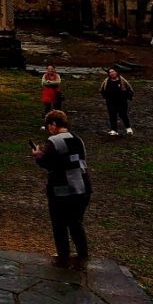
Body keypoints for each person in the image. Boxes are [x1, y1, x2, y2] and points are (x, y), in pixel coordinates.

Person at [32, 109, 92, 269]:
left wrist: (37, 155)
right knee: (75, 223)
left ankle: (63, 256)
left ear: (53, 124)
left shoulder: (54, 142)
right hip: (83, 187)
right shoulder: (78, 139)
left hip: (62, 189)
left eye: (48, 125)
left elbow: (46, 162)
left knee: (59, 223)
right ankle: (82, 254)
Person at [98, 67, 134, 136]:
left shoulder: (122, 80)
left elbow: (130, 89)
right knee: (112, 115)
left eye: (113, 71)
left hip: (121, 101)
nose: (112, 73)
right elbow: (102, 89)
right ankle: (114, 130)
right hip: (110, 101)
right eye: (110, 72)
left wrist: (128, 96)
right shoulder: (106, 81)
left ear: (117, 72)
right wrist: (105, 96)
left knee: (123, 114)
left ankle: (128, 128)